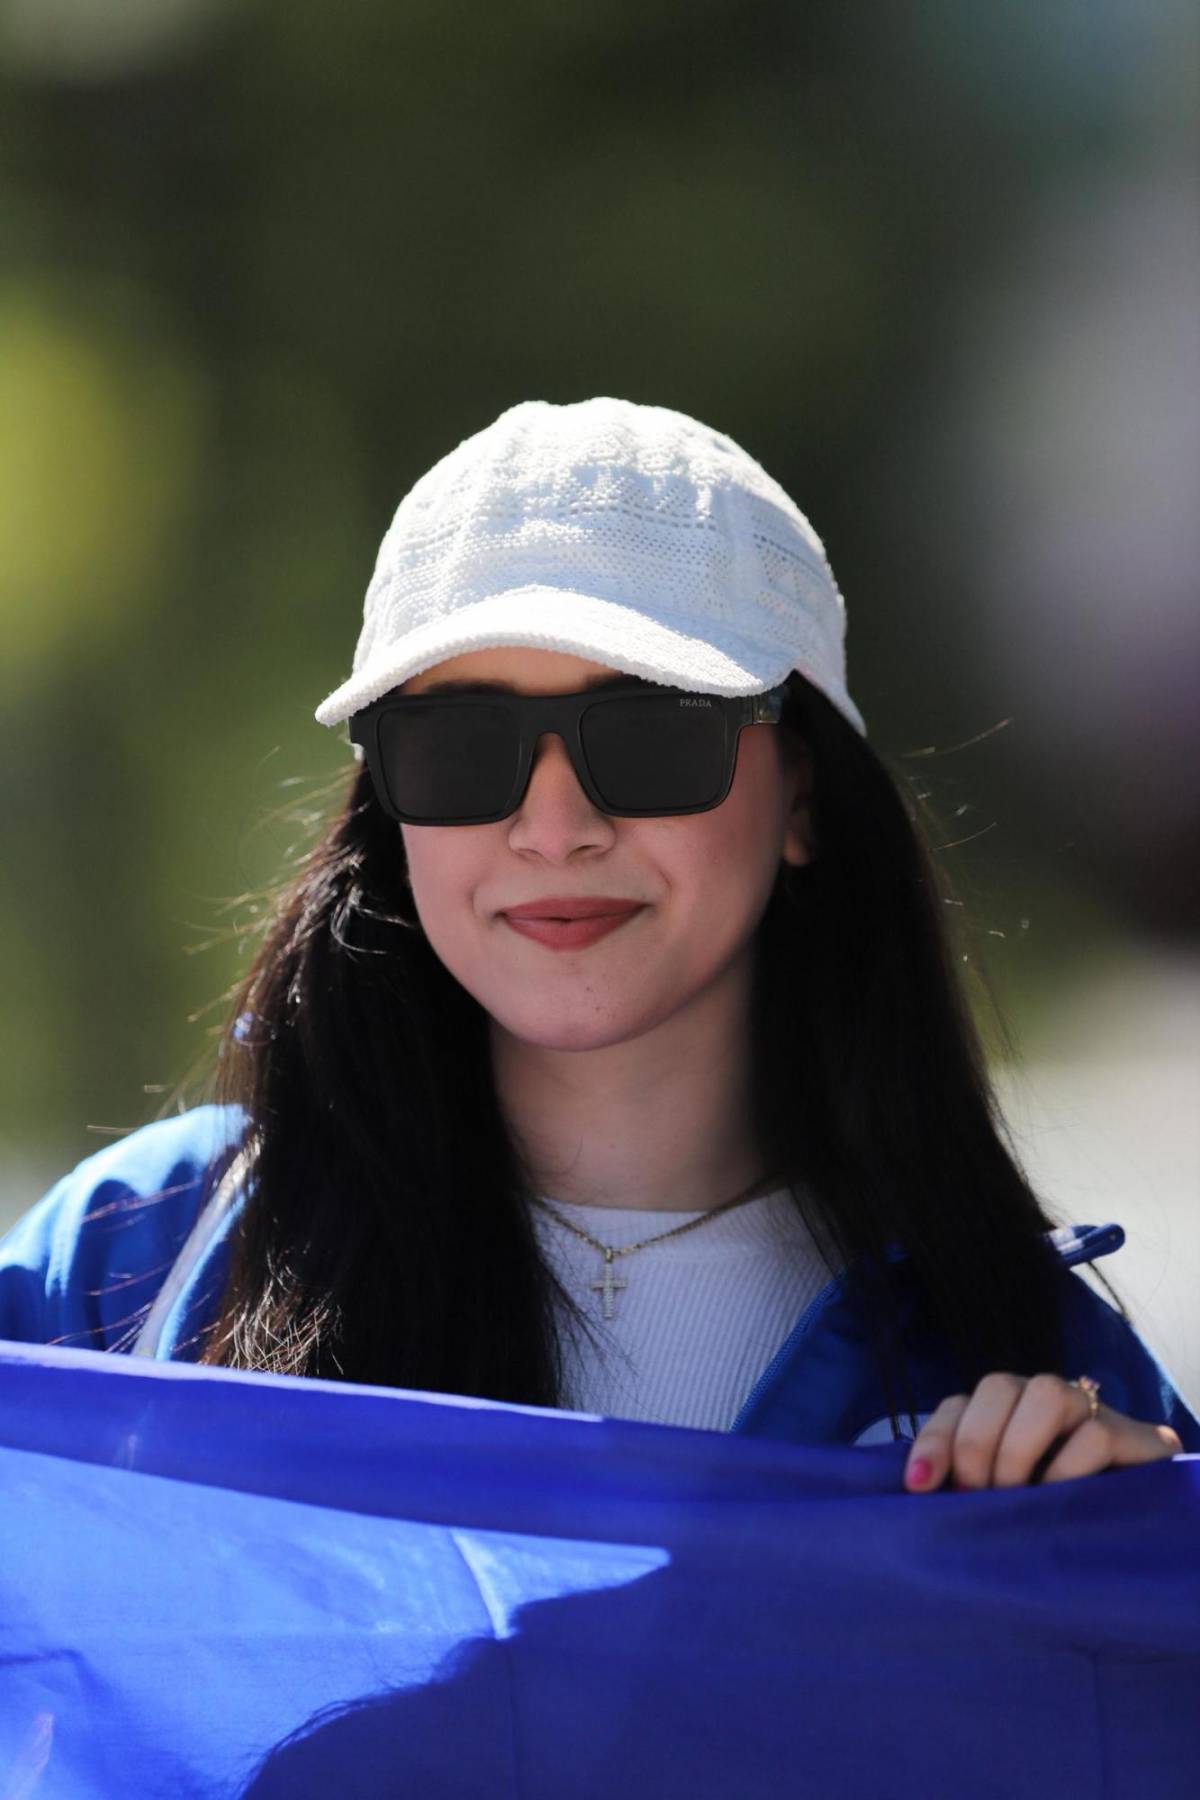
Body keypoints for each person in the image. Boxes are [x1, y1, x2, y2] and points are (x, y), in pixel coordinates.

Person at [2, 396, 1196, 1497]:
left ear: (802, 798)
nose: (555, 829)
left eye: (653, 732)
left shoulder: (1041, 1381)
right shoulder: (136, 1259)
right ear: (388, 805)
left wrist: (1137, 1581)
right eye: (461, 744)